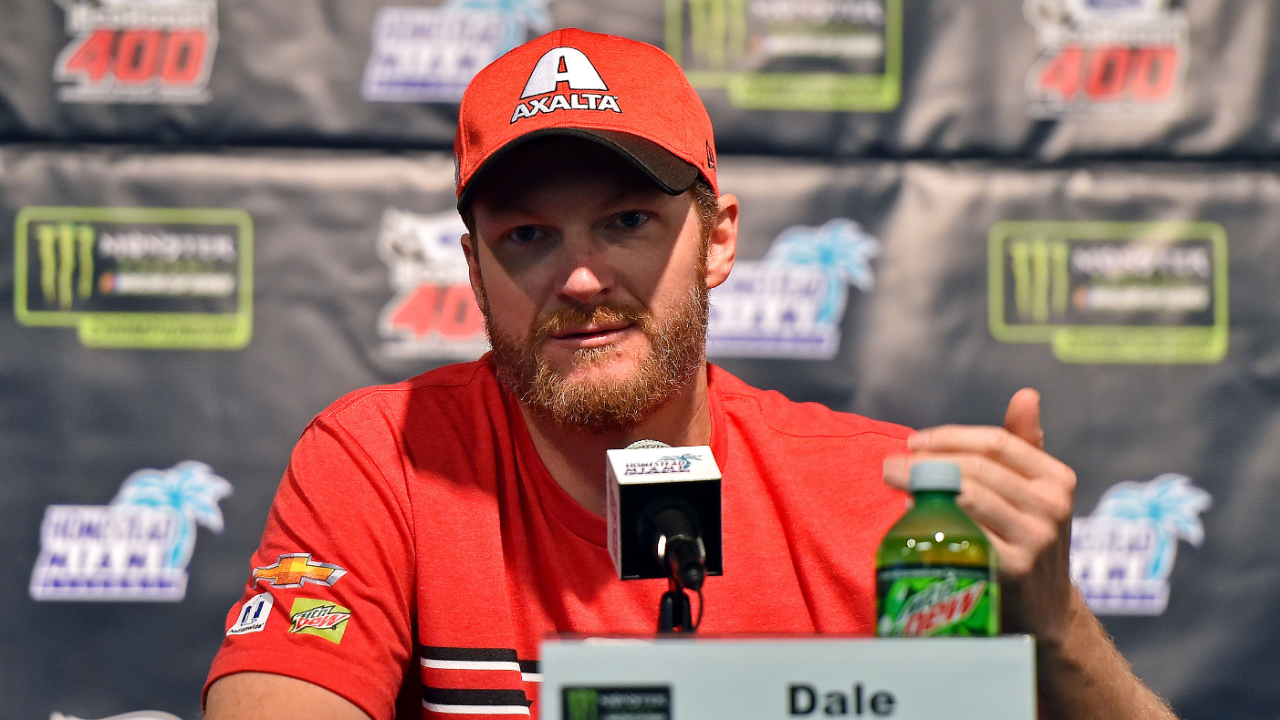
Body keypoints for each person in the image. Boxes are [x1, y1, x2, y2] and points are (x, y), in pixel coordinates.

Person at [204, 29, 1178, 720]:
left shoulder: (889, 504)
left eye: (625, 222)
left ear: (717, 242)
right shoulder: (384, 459)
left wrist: (1055, 628)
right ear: (472, 270)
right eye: (527, 237)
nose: (580, 279)